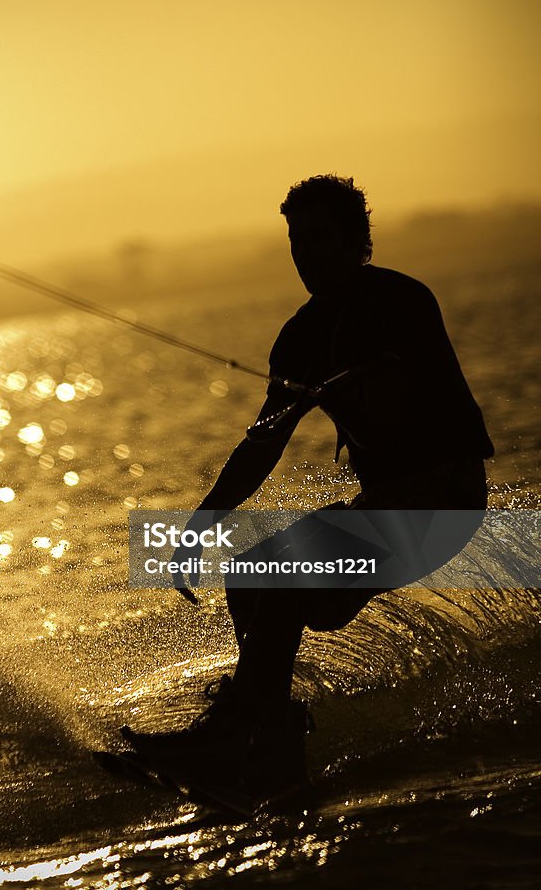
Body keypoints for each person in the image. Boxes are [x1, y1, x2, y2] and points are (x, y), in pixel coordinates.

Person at [122, 175, 493, 797]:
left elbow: (395, 397)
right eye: (297, 241)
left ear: (358, 241)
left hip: (444, 498)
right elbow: (263, 441)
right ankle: (274, 747)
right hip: (385, 505)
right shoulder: (298, 338)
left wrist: (341, 382)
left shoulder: (404, 301)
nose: (307, 254)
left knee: (289, 576)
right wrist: (204, 520)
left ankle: (232, 731)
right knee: (247, 572)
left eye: (321, 238)